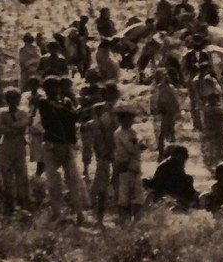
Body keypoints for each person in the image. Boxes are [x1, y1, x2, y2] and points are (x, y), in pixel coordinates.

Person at [36, 76, 84, 223]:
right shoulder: (43, 102)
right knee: (53, 180)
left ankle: (79, 212)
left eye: (55, 87)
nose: (53, 91)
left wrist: (66, 109)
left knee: (73, 179)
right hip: (52, 144)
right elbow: (66, 115)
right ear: (45, 90)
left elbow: (75, 117)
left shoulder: (66, 102)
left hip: (66, 144)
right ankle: (56, 211)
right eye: (49, 88)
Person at [0, 88, 31, 214]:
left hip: (19, 145)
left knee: (21, 173)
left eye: (15, 98)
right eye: (10, 98)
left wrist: (10, 127)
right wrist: (14, 129)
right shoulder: (2, 112)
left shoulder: (24, 111)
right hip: (6, 145)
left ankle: (23, 201)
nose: (13, 101)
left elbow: (24, 125)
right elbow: (0, 128)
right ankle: (9, 202)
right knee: (6, 174)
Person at [112, 103, 144, 222]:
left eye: (131, 119)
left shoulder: (132, 132)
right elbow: (131, 148)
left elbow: (138, 143)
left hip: (134, 165)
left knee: (137, 192)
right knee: (124, 193)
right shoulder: (119, 133)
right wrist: (138, 145)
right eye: (127, 119)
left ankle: (136, 219)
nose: (130, 121)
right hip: (124, 164)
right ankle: (123, 219)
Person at [90, 95, 118, 227]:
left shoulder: (98, 123)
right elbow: (101, 141)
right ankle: (96, 205)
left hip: (104, 153)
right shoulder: (99, 123)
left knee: (103, 179)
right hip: (104, 153)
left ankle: (96, 203)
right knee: (102, 180)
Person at [145, 144, 199, 210]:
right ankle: (185, 204)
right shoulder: (170, 165)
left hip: (169, 185)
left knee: (188, 180)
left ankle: (187, 203)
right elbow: (164, 181)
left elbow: (182, 177)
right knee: (187, 183)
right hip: (164, 186)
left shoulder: (175, 164)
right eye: (182, 158)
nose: (184, 161)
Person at [149, 69, 180, 157]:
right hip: (160, 113)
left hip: (169, 113)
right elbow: (153, 100)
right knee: (160, 133)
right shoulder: (156, 88)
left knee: (169, 132)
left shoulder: (169, 88)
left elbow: (174, 99)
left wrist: (177, 110)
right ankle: (161, 151)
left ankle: (172, 152)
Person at [200, 92, 223, 171]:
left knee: (214, 151)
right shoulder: (217, 110)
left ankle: (215, 166)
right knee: (216, 151)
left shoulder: (206, 109)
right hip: (214, 132)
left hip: (213, 132)